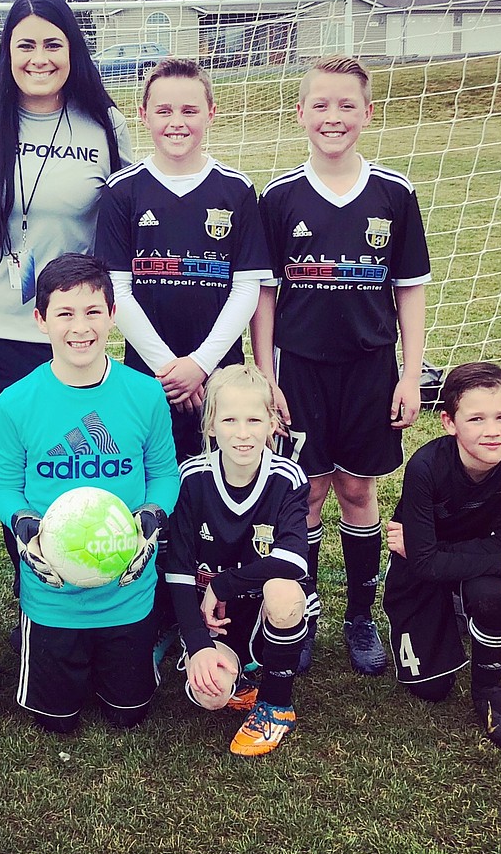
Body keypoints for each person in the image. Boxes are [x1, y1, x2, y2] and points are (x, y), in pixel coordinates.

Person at [251, 54, 430, 676]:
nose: (333, 117)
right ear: (300, 114)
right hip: (298, 369)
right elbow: (265, 293)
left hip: (370, 368)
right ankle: (302, 616)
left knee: (357, 489)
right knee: (307, 496)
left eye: (347, 105)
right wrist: (266, 377)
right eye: (320, 105)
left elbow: (408, 287)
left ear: (367, 113)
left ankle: (360, 615)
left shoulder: (394, 193)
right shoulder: (278, 198)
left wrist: (411, 374)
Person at [0, 0, 132, 463]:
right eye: (25, 45)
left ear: (73, 50)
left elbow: (133, 216)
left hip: (69, 330)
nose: (38, 58)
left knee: (66, 468)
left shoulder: (105, 123)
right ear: (6, 51)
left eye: (52, 44)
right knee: (2, 473)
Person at [0, 253, 179, 733]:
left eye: (93, 312)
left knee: (128, 716)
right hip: (52, 598)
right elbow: (4, 486)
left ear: (113, 315)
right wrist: (25, 526)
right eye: (65, 313)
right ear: (41, 320)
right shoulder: (15, 402)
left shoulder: (145, 393)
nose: (81, 327)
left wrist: (152, 517)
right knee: (56, 721)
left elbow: (164, 474)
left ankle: (139, 649)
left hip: (128, 593)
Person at [96, 58, 272, 461]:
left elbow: (247, 287)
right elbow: (116, 290)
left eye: (190, 110)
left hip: (222, 372)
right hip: (149, 375)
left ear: (211, 113)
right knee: (155, 481)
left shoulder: (237, 189)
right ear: (143, 115)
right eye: (164, 110)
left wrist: (200, 365)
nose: (177, 121)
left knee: (222, 478)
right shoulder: (122, 191)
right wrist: (169, 369)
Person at [383, 362, 501, 749]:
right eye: (476, 418)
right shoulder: (425, 467)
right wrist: (500, 562)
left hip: (450, 559)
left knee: (491, 593)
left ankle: (489, 690)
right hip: (419, 573)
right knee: (431, 688)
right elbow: (422, 565)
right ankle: (449, 605)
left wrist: (432, 549)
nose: (492, 430)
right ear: (449, 422)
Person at [165, 365, 310, 756]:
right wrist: (197, 645)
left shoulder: (288, 477)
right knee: (208, 695)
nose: (243, 433)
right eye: (229, 420)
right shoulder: (191, 478)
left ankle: (276, 705)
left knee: (284, 591)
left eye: (254, 420)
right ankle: (239, 682)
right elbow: (177, 569)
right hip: (218, 619)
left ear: (271, 424)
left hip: (263, 608)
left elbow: (294, 561)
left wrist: (222, 583)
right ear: (210, 425)